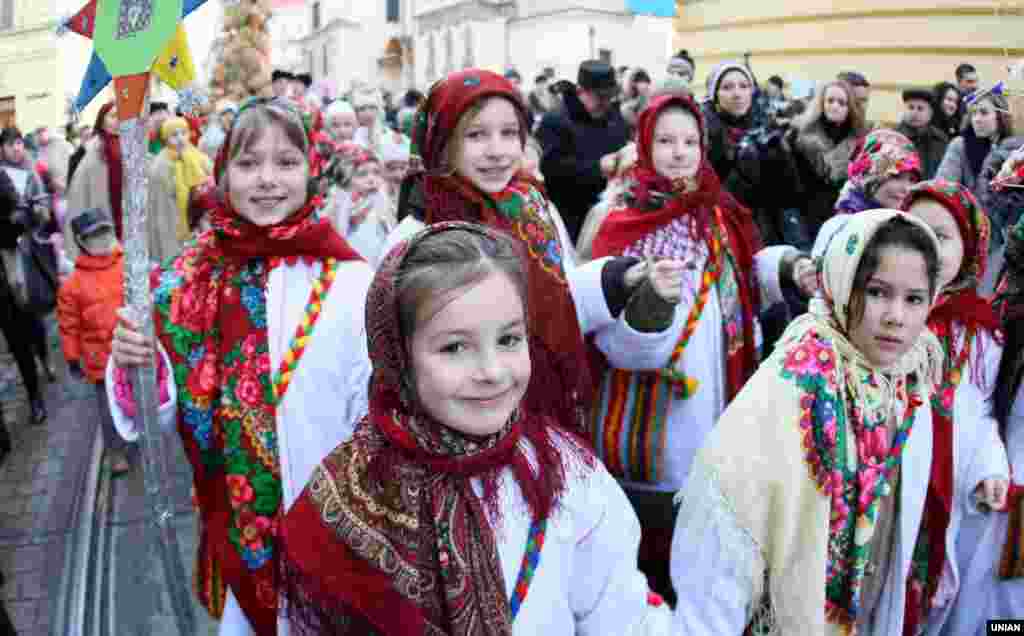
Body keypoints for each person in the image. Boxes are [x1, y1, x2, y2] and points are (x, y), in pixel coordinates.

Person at [279, 222, 672, 635]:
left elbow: (621, 619)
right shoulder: (347, 492)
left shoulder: (568, 477)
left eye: (508, 340)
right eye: (454, 347)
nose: (491, 371)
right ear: (397, 356)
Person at [107, 97, 375, 635]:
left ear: (312, 170)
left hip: (338, 521)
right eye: (249, 164)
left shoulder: (350, 279)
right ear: (223, 173)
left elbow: (370, 404)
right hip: (240, 527)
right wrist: (141, 366)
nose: (267, 180)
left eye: (286, 163)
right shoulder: (184, 283)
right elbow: (158, 419)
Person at [671, 209, 1003, 634]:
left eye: (914, 298)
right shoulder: (796, 382)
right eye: (878, 292)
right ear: (844, 284)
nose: (895, 316)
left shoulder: (909, 377)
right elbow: (725, 527)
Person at [584, 93, 817, 604]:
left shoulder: (717, 209)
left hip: (718, 377)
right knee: (663, 501)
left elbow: (742, 271)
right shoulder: (623, 218)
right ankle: (649, 597)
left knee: (710, 496)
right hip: (653, 396)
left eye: (690, 141)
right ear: (644, 146)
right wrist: (648, 304)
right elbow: (604, 316)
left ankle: (701, 593)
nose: (679, 152)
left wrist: (789, 267)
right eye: (665, 141)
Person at [388, 68, 673, 443]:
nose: (497, 150)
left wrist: (617, 279)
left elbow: (559, 298)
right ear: (441, 143)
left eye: (509, 134)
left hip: (542, 412)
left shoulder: (531, 206)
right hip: (454, 429)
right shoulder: (416, 234)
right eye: (475, 135)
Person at [898, 180, 1009, 634]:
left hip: (946, 490)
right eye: (914, 229)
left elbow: (980, 413)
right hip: (888, 485)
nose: (925, 243)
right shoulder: (881, 311)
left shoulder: (979, 334)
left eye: (941, 236)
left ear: (968, 250)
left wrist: (989, 468)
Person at [57, 208, 136, 475]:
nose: (102, 240)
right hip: (100, 361)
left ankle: (138, 436)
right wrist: (71, 356)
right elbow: (69, 324)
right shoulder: (73, 286)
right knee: (109, 409)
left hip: (132, 349)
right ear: (81, 242)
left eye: (105, 232)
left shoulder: (128, 265)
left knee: (139, 397)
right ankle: (115, 451)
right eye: (94, 236)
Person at [537, 60, 630, 242]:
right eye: (599, 97)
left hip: (611, 216)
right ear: (581, 91)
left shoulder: (614, 117)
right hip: (572, 221)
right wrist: (597, 168)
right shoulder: (556, 120)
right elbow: (552, 171)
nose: (605, 103)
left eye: (609, 97)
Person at [0, 157, 48, 423]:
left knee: (20, 338)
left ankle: (34, 397)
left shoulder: (2, 177)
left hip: (6, 271)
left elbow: (21, 214)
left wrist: (9, 226)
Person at [791, 79, 870, 240]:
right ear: (821, 103)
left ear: (850, 108)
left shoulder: (860, 142)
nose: (835, 106)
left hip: (844, 219)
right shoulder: (801, 137)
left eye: (842, 102)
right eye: (830, 101)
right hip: (806, 219)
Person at [147, 117, 213, 264]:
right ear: (166, 139)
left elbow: (210, 176)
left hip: (198, 215)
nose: (180, 138)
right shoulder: (161, 165)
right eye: (174, 135)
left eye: (183, 133)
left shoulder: (196, 155)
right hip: (173, 219)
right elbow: (161, 200)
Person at [65, 102, 125, 261]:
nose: (118, 120)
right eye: (113, 116)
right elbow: (78, 191)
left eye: (121, 116)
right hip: (101, 219)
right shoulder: (93, 149)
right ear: (102, 120)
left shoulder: (129, 144)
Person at [935, 91, 1013, 198]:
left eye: (984, 112)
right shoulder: (960, 145)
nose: (976, 119)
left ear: (1000, 116)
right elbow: (942, 189)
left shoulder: (1014, 149)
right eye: (974, 113)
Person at [701, 61, 763, 190]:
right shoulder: (700, 133)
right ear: (715, 96)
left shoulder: (762, 127)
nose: (737, 94)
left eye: (744, 86)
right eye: (727, 87)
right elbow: (683, 186)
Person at [328, 147, 392, 265]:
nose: (371, 179)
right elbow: (339, 234)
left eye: (376, 172)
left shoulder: (381, 199)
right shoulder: (342, 202)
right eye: (362, 174)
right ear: (348, 180)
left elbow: (389, 231)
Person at [834, 129, 922, 214]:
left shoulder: (897, 221)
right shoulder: (852, 224)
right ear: (867, 175)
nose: (906, 188)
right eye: (896, 176)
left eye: (912, 179)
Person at [897, 87, 950, 180]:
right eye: (910, 107)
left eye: (920, 109)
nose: (914, 112)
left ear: (930, 113)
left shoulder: (940, 139)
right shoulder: (894, 137)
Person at [621, 68, 654, 132]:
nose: (644, 84)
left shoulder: (649, 98)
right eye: (639, 80)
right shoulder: (626, 108)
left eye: (644, 80)